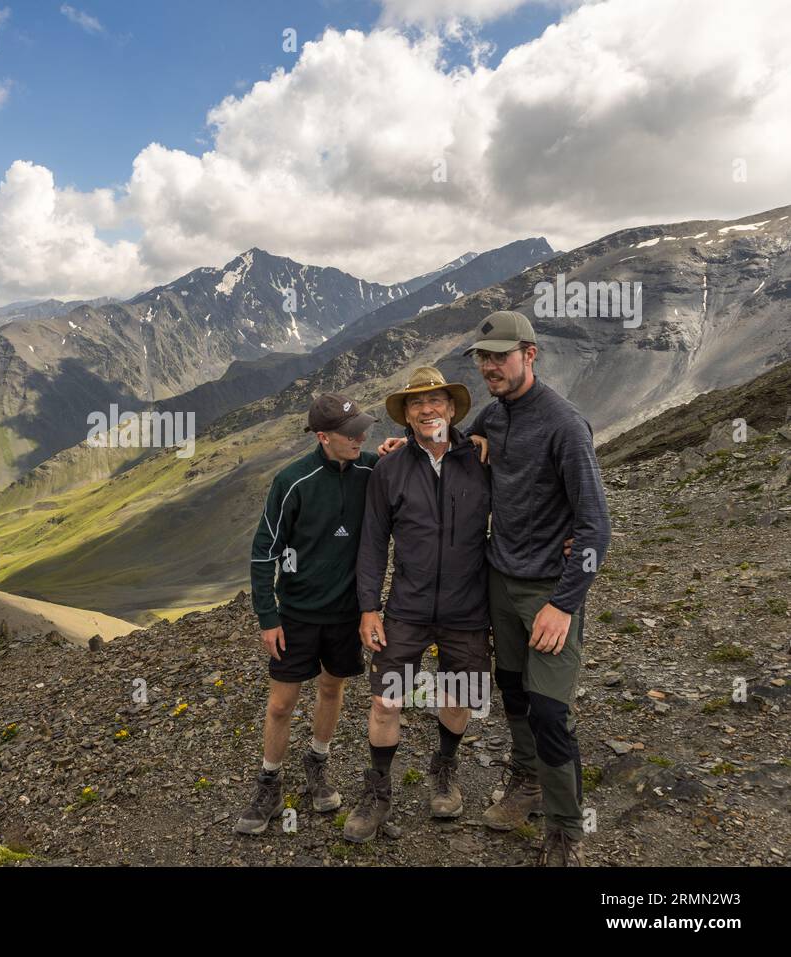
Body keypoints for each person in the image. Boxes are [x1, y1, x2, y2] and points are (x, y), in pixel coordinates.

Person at [379, 310, 611, 865]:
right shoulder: (494, 417)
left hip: (547, 594)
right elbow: (446, 442)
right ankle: (527, 786)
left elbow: (596, 525)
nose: (490, 367)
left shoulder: (564, 425)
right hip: (498, 585)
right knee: (513, 694)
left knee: (552, 711)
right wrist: (399, 448)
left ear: (530, 355)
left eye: (500, 357)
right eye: (483, 359)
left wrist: (563, 603)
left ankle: (564, 833)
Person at [346, 367, 492, 843]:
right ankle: (378, 791)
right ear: (405, 417)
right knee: (387, 699)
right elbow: (371, 541)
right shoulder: (390, 468)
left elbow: (530, 498)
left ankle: (444, 769)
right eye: (416, 404)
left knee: (458, 697)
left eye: (436, 401)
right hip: (405, 608)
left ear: (451, 408)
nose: (427, 409)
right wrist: (369, 607)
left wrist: (571, 538)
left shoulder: (482, 458)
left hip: (468, 607)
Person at [236, 393, 378, 835]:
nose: (361, 438)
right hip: (296, 614)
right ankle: (269, 782)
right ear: (323, 437)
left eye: (363, 430)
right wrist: (267, 616)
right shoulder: (292, 481)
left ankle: (318, 761)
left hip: (346, 614)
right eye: (351, 433)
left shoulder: (373, 468)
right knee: (281, 703)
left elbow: (416, 465)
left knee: (332, 689)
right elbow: (264, 552)